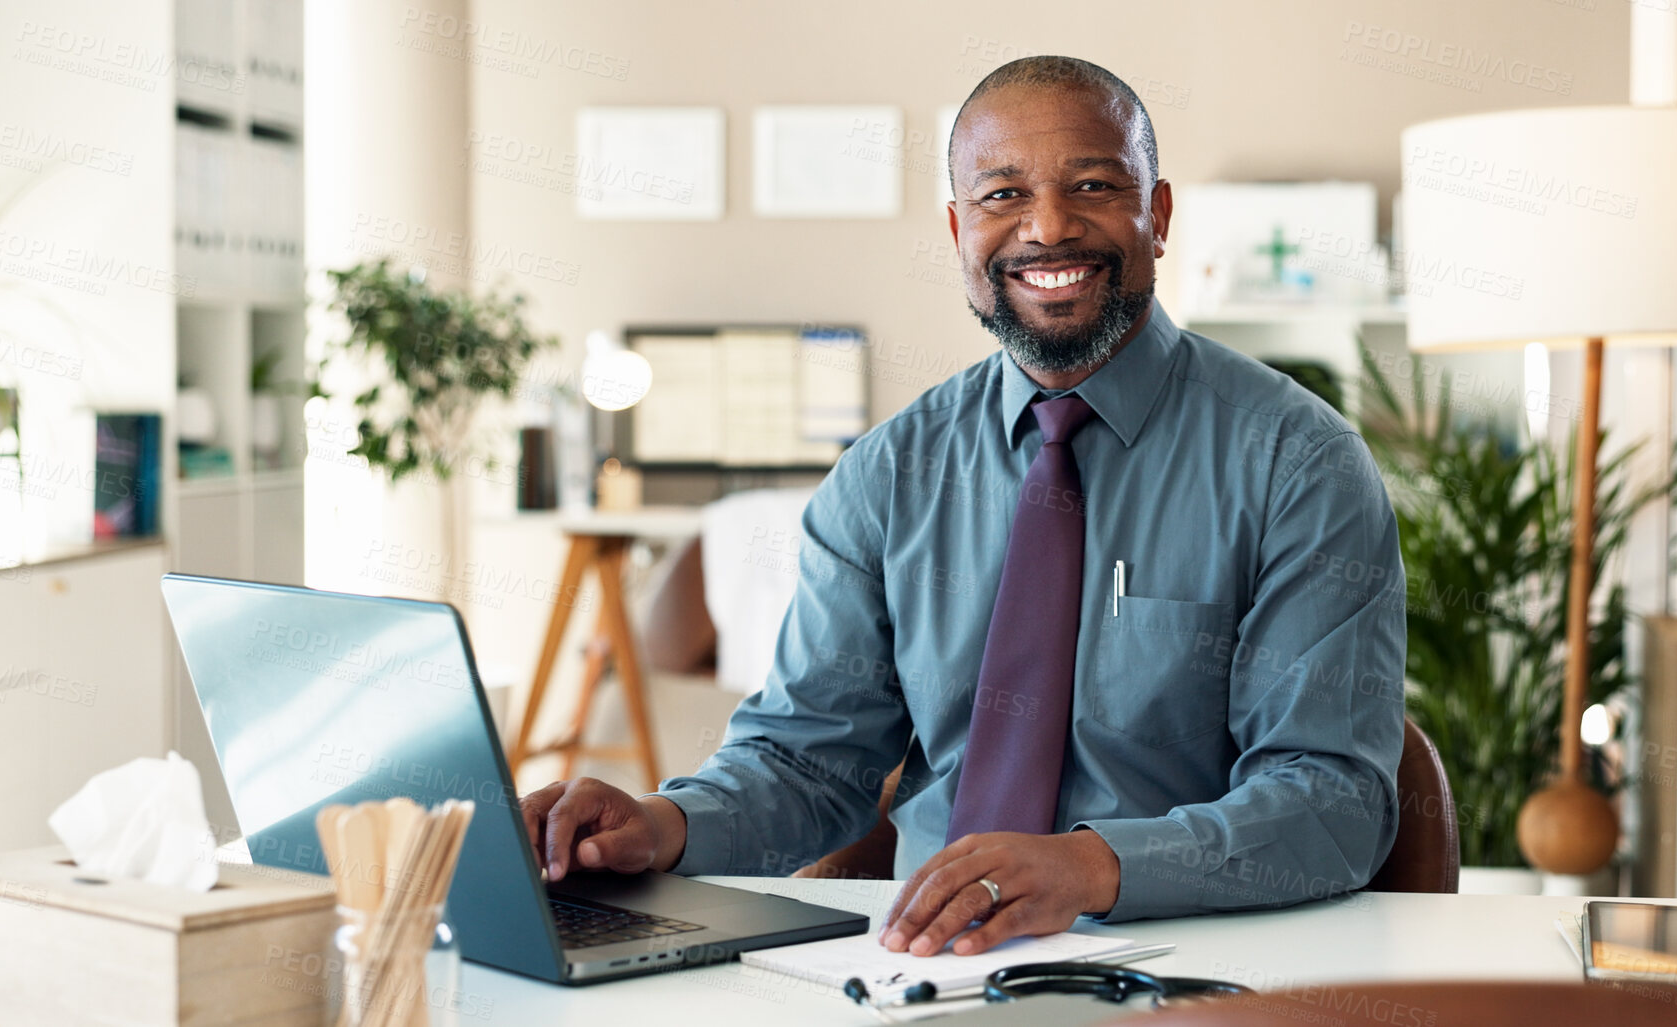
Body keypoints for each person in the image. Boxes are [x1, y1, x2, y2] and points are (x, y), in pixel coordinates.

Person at [520, 55, 1406, 959]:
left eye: (1093, 185)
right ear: (957, 229)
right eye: (1001, 194)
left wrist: (1093, 866)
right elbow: (806, 761)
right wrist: (658, 822)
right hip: (917, 963)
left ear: (1159, 214)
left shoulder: (1298, 462)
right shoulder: (887, 473)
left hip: (1190, 963)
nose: (1049, 226)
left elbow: (1334, 800)